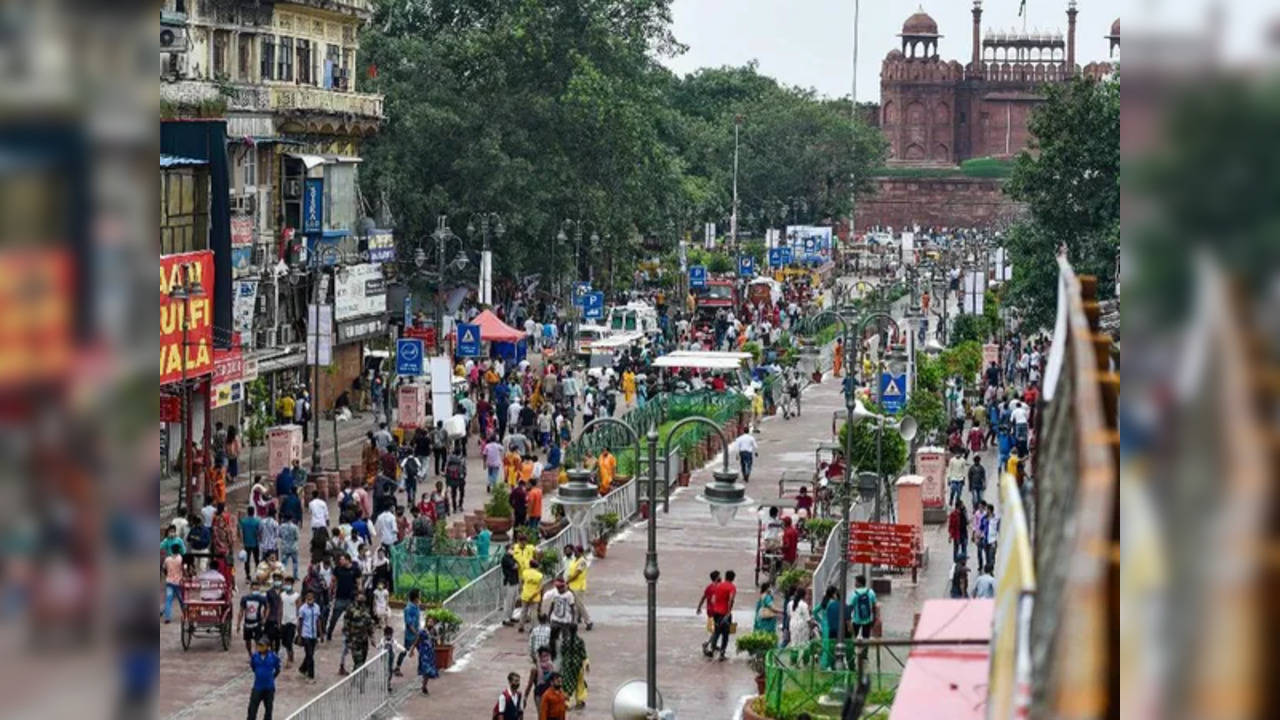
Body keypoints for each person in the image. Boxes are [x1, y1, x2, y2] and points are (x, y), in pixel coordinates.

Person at [326, 553, 362, 642]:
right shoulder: (337, 569)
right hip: (340, 598)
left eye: (342, 559)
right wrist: (330, 592)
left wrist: (359, 594)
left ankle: (351, 636)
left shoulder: (355, 570)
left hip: (351, 598)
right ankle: (329, 633)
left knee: (352, 619)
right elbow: (333, 581)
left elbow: (359, 583)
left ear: (347, 560)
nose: (340, 561)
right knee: (334, 618)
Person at [339, 589, 375, 675]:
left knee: (363, 660)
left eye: (363, 595)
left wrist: (372, 637)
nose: (363, 597)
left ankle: (359, 676)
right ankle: (356, 680)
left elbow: (369, 623)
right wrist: (347, 639)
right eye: (360, 595)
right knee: (358, 661)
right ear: (356, 597)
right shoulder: (350, 609)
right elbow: (346, 624)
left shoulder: (366, 608)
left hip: (364, 639)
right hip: (355, 640)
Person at [541, 576, 577, 658]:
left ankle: (566, 654)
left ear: (564, 586)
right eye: (557, 588)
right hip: (555, 619)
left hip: (566, 620)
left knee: (566, 639)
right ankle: (553, 653)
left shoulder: (569, 595)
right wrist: (549, 615)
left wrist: (573, 620)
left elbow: (573, 608)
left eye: (560, 588)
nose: (559, 590)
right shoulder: (555, 593)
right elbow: (552, 605)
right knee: (552, 638)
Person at [246, 639, 281, 720]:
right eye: (259, 645)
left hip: (269, 687)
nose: (260, 647)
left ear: (268, 647)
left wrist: (271, 677)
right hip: (257, 687)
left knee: (268, 709)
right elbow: (253, 667)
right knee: (252, 709)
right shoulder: (255, 656)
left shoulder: (273, 657)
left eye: (262, 646)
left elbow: (278, 669)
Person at [409, 616, 440, 694]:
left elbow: (437, 641)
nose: (430, 623)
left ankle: (424, 684)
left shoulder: (434, 631)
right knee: (426, 669)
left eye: (432, 622)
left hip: (431, 653)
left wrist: (437, 640)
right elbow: (416, 641)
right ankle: (424, 686)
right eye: (429, 622)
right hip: (423, 654)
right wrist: (411, 650)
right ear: (426, 622)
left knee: (429, 671)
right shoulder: (422, 631)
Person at [238, 578, 269, 656]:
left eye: (257, 586)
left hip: (257, 622)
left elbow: (267, 607)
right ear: (251, 587)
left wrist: (265, 618)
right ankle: (250, 654)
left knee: (258, 640)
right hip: (247, 623)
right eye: (254, 586)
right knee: (247, 641)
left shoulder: (262, 598)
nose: (255, 588)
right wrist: (238, 623)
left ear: (259, 587)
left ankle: (257, 655)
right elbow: (241, 611)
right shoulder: (245, 598)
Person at [564, 546, 592, 630]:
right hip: (572, 585)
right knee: (573, 604)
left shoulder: (582, 561)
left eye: (576, 551)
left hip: (578, 586)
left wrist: (567, 581)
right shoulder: (574, 560)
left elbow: (577, 573)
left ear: (580, 552)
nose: (574, 552)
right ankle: (574, 622)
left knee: (579, 605)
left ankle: (588, 621)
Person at [297, 590, 321, 681]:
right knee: (310, 655)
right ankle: (311, 675)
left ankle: (302, 668)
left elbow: (318, 621)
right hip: (306, 634)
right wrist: (299, 636)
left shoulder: (317, 608)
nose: (310, 599)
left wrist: (321, 634)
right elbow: (300, 622)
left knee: (310, 654)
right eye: (308, 598)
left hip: (314, 634)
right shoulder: (302, 609)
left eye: (311, 598)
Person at [524, 646, 557, 711]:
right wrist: (525, 697)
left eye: (547, 656)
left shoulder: (552, 668)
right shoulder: (535, 670)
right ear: (539, 657)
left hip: (551, 695)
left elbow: (557, 684)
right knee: (541, 715)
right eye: (543, 656)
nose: (546, 658)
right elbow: (530, 684)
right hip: (539, 694)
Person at [517, 559, 543, 633]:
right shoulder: (539, 575)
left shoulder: (525, 572)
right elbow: (540, 587)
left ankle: (521, 626)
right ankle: (534, 627)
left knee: (523, 611)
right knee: (533, 612)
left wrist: (521, 590)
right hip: (535, 596)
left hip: (525, 595)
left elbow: (521, 583)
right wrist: (534, 594)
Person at [161, 544, 185, 624]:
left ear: (171, 550)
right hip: (179, 582)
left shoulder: (167, 559)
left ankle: (167, 617)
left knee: (168, 600)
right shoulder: (181, 559)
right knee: (181, 600)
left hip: (169, 582)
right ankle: (185, 614)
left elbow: (164, 569)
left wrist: (168, 575)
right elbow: (184, 569)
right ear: (179, 550)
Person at [279, 576, 300, 666]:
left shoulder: (296, 596)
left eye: (289, 584)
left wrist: (298, 621)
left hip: (292, 622)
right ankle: (290, 655)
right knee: (283, 641)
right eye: (285, 583)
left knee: (289, 641)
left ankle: (289, 658)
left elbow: (299, 609)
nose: (287, 585)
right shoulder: (282, 595)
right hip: (283, 620)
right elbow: (280, 608)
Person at [849, 574, 877, 640]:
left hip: (856, 620)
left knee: (853, 639)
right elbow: (874, 607)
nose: (854, 584)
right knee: (866, 639)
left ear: (859, 583)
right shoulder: (871, 592)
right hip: (867, 620)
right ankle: (865, 650)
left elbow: (850, 608)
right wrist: (874, 618)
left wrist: (848, 621)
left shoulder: (854, 594)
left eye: (856, 582)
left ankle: (853, 650)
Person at [445, 450, 467, 514]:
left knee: (453, 493)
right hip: (460, 478)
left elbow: (446, 469)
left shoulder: (450, 459)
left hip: (452, 479)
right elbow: (464, 469)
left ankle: (454, 508)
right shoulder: (462, 459)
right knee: (461, 492)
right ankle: (460, 505)